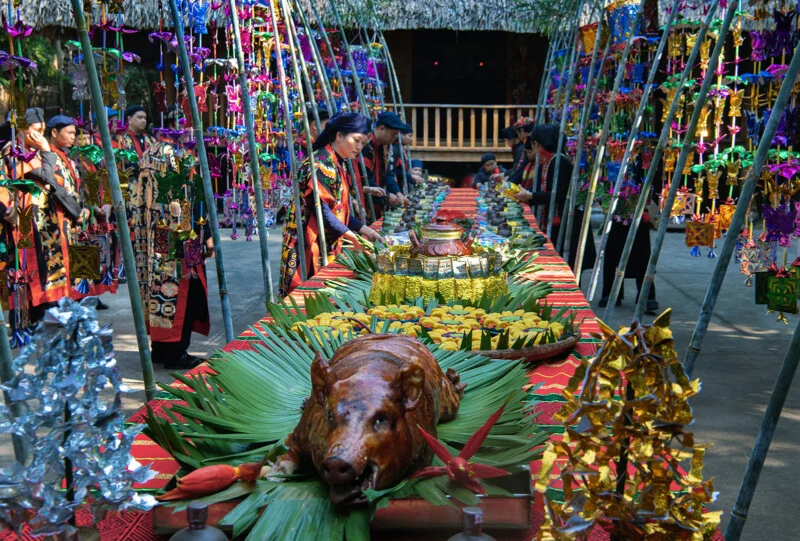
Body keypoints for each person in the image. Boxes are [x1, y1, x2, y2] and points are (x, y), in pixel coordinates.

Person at [132, 108, 212, 369]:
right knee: (181, 290)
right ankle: (177, 351)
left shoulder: (148, 154)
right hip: (178, 235)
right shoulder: (179, 157)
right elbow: (188, 198)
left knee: (157, 291)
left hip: (152, 234)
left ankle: (160, 348)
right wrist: (204, 236)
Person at [280, 112, 383, 296]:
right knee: (303, 299)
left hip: (325, 243)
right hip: (307, 244)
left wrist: (366, 231)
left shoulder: (338, 164)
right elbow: (324, 213)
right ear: (339, 136)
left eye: (363, 142)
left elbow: (340, 211)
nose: (359, 147)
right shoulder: (321, 163)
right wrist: (353, 238)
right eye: (356, 140)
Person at [510, 124, 596, 275]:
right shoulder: (548, 161)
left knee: (567, 263)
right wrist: (528, 196)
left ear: (539, 143)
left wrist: (530, 196)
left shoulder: (558, 162)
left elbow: (559, 195)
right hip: (559, 217)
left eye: (534, 143)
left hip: (567, 219)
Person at [600, 158, 658, 314]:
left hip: (639, 211)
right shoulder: (614, 151)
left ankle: (646, 295)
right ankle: (611, 293)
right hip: (618, 209)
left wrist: (649, 208)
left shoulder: (646, 154)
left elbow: (655, 181)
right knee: (613, 253)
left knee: (643, 255)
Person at [359, 111, 410, 214]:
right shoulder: (366, 146)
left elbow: (389, 173)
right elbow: (365, 179)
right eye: (393, 135)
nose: (394, 138)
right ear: (381, 129)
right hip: (365, 202)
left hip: (379, 200)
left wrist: (398, 193)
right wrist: (387, 196)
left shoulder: (386, 146)